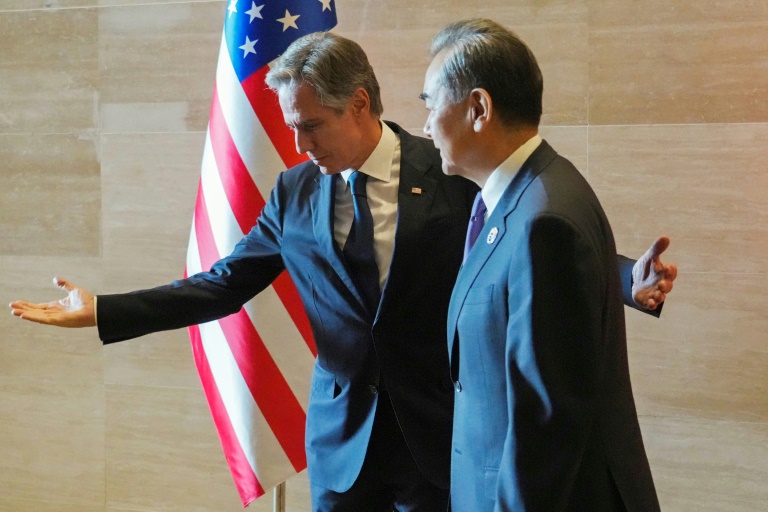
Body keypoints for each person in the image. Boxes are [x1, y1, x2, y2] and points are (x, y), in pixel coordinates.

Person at [9, 31, 675, 511]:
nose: (298, 145)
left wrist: (624, 281)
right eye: (291, 128)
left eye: (311, 125)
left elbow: (525, 242)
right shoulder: (294, 192)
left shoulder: (447, 169)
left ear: (359, 105)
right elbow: (222, 284)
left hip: (435, 438)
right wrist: (105, 310)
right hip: (341, 446)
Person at [421, 19, 669, 511]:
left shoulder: (544, 217)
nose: (425, 124)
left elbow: (546, 422)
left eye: (429, 104)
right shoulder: (521, 193)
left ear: (478, 108)